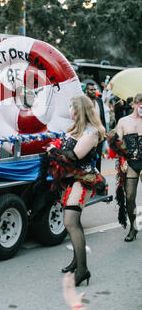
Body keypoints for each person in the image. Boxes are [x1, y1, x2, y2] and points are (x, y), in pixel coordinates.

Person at [47, 95, 106, 287]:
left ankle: (83, 270)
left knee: (70, 222)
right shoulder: (74, 129)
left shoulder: (91, 132)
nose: (69, 110)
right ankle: (76, 262)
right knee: (74, 222)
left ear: (79, 110)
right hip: (71, 181)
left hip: (84, 180)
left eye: (72, 107)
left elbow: (74, 156)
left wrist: (53, 151)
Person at [108, 92, 142, 242]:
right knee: (129, 197)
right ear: (134, 104)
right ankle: (133, 227)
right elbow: (117, 143)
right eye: (140, 104)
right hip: (132, 162)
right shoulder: (123, 121)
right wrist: (123, 160)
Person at [85, 82, 106, 171]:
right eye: (91, 90)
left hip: (99, 134)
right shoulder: (84, 102)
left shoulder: (99, 100)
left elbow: (102, 117)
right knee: (88, 157)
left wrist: (104, 132)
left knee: (98, 157)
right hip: (87, 134)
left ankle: (98, 178)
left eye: (94, 89)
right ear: (86, 91)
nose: (93, 91)